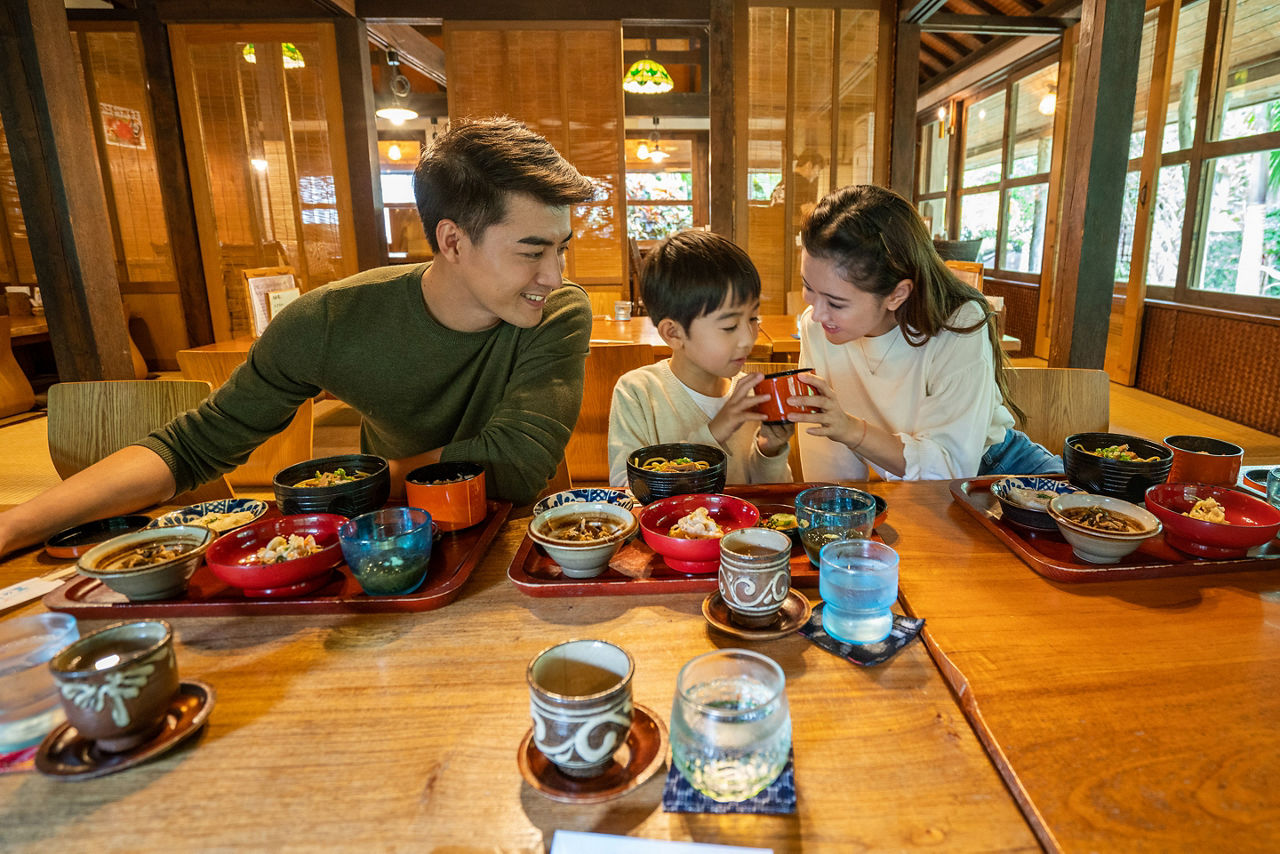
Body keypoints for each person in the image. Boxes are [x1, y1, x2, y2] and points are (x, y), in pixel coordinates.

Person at [0, 117, 596, 559]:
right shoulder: (332, 320)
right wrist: (16, 526)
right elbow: (192, 446)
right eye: (532, 251)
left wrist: (344, 489)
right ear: (452, 240)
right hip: (384, 542)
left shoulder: (557, 312)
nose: (555, 274)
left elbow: (516, 464)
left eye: (561, 247)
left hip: (525, 543)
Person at [786, 184, 1060, 481]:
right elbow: (830, 457)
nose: (818, 311)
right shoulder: (817, 326)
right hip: (909, 488)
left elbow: (950, 469)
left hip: (998, 471)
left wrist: (850, 430)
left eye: (836, 302)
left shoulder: (957, 324)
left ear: (896, 294)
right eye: (808, 288)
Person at [607, 230, 793, 487]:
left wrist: (768, 449)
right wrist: (712, 435)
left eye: (753, 319)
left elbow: (769, 499)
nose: (748, 339)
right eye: (729, 326)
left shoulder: (748, 396)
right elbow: (628, 491)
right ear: (673, 333)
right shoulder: (638, 393)